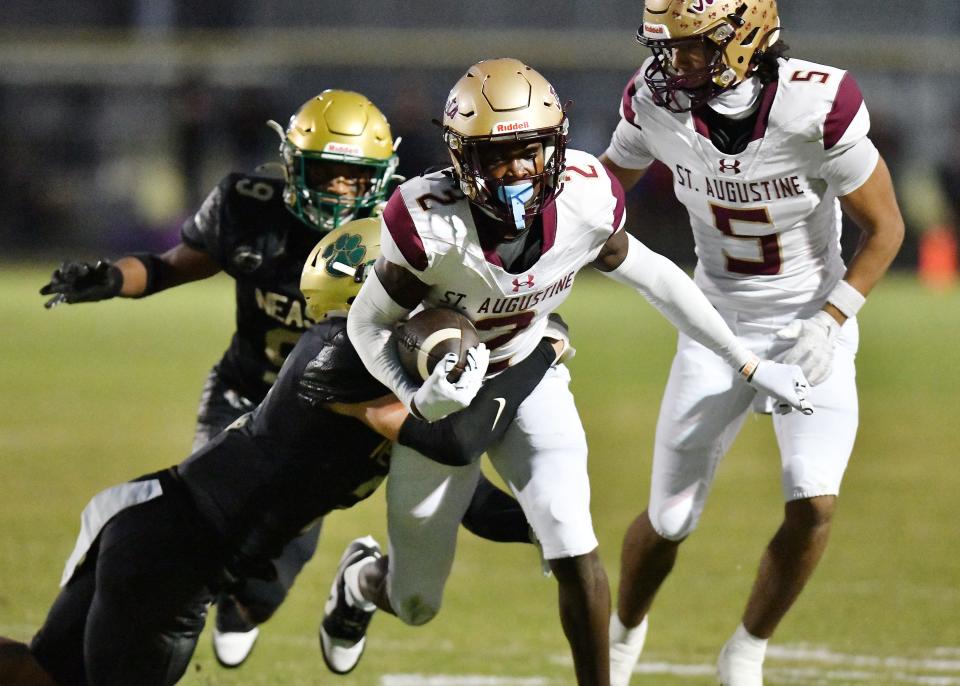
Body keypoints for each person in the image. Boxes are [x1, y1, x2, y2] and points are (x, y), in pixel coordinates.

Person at [333, 57, 813, 686]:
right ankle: (364, 581)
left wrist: (748, 363)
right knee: (418, 601)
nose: (518, 170)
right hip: (445, 397)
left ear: (555, 144)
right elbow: (366, 326)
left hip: (529, 374)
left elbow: (661, 279)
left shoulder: (586, 197)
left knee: (570, 535)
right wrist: (416, 396)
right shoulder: (428, 223)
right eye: (497, 154)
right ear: (461, 159)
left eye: (531, 149)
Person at [0, 217, 564, 686]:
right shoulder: (340, 356)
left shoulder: (384, 378)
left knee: (42, 674)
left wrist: (545, 525)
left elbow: (465, 500)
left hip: (158, 530)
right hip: (173, 557)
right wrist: (539, 348)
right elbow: (455, 440)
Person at [36, 89, 402, 667]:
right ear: (292, 165)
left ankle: (317, 588)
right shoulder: (250, 206)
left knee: (255, 596)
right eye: (325, 174)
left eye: (352, 179)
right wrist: (111, 277)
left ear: (379, 178)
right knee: (209, 535)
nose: (337, 191)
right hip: (246, 392)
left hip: (323, 417)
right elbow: (169, 266)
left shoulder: (399, 238)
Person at [598, 2, 905, 684]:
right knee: (670, 520)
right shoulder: (653, 102)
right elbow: (599, 194)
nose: (673, 66)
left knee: (815, 499)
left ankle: (747, 649)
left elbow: (885, 229)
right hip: (713, 325)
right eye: (666, 49)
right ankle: (623, 633)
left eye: (692, 49)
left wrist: (831, 319)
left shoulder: (814, 103)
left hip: (808, 324)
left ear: (744, 39)